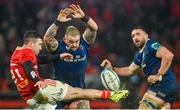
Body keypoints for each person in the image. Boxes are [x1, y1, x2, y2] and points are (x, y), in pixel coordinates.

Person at [10, 31, 129, 109]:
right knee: (78, 93)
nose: (41, 48)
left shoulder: (17, 53)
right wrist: (37, 79)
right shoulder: (27, 53)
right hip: (40, 90)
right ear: (31, 44)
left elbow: (40, 60)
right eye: (39, 44)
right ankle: (112, 95)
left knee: (73, 98)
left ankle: (110, 95)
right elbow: (28, 67)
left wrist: (58, 56)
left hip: (30, 98)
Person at [101, 26, 179, 109]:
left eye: (138, 34)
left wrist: (158, 75)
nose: (135, 37)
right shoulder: (140, 55)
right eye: (133, 36)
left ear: (146, 36)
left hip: (164, 84)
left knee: (144, 106)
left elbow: (168, 55)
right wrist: (112, 68)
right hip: (168, 87)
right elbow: (129, 70)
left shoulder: (150, 45)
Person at [43, 4, 98, 109]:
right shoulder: (59, 47)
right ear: (65, 39)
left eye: (77, 41)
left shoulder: (84, 43)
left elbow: (94, 28)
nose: (75, 44)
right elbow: (47, 39)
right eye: (71, 41)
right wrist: (57, 22)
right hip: (61, 93)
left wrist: (84, 17)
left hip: (80, 93)